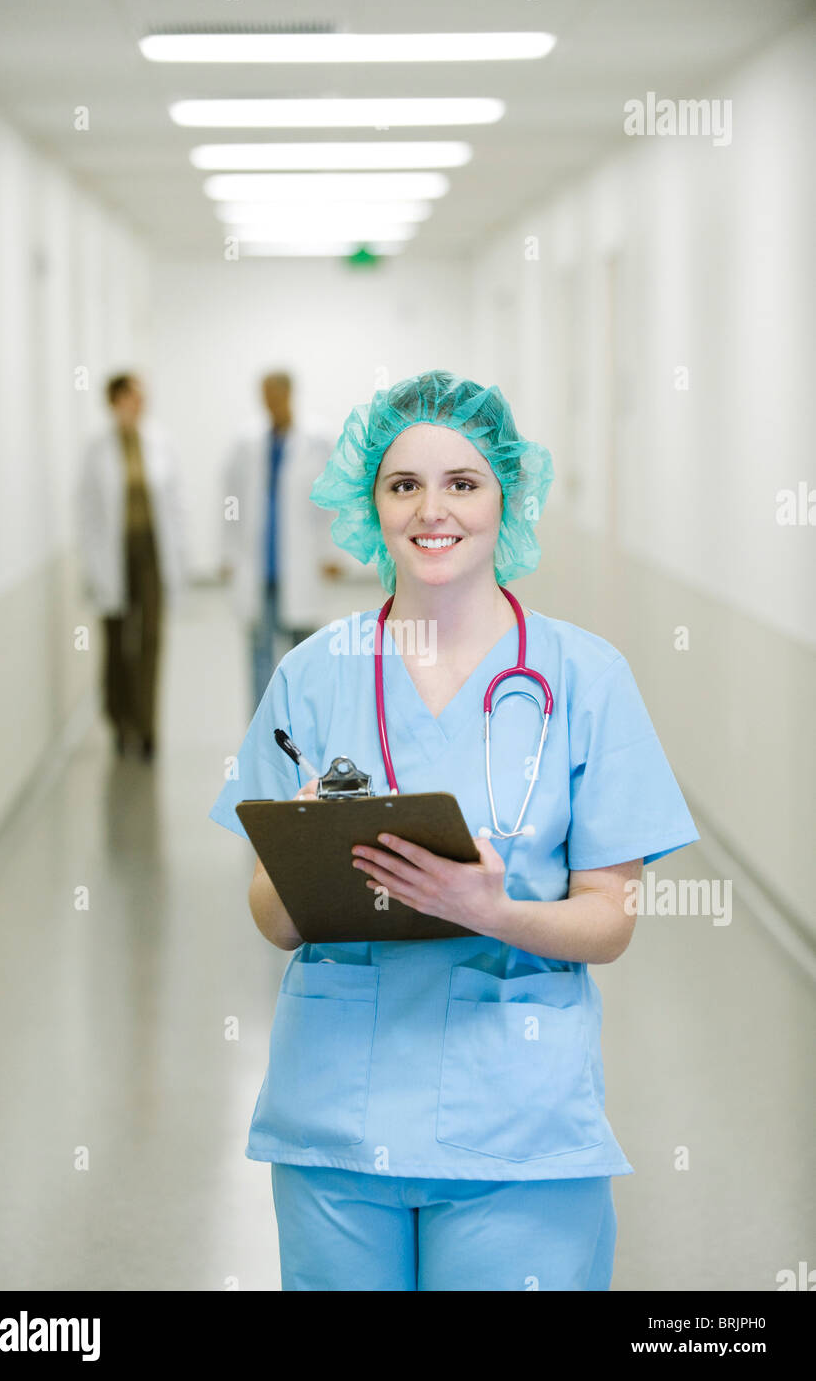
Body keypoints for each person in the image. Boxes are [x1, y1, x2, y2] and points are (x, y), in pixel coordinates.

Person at [209, 370, 700, 1291]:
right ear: (372, 504)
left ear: (505, 495)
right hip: (336, 1128)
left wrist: (492, 910)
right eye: (403, 485)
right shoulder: (312, 677)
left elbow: (610, 920)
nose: (432, 510)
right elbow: (270, 916)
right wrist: (305, 857)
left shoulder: (584, 679)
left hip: (516, 1126)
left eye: (462, 483)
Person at [220, 371, 345, 710]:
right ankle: (262, 723)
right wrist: (228, 553)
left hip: (301, 562)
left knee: (303, 648)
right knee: (259, 649)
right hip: (259, 564)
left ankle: (301, 720)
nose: (270, 403)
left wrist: (332, 553)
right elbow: (230, 500)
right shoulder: (247, 442)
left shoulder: (318, 439)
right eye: (265, 396)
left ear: (289, 394)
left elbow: (332, 500)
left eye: (275, 395)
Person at [77, 373, 187, 759]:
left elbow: (174, 506)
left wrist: (182, 557)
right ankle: (119, 721)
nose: (140, 403)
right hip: (113, 558)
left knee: (151, 641)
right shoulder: (97, 449)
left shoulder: (160, 442)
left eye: (143, 396)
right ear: (115, 400)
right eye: (133, 396)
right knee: (116, 646)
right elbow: (88, 513)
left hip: (152, 556)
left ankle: (147, 726)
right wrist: (92, 568)